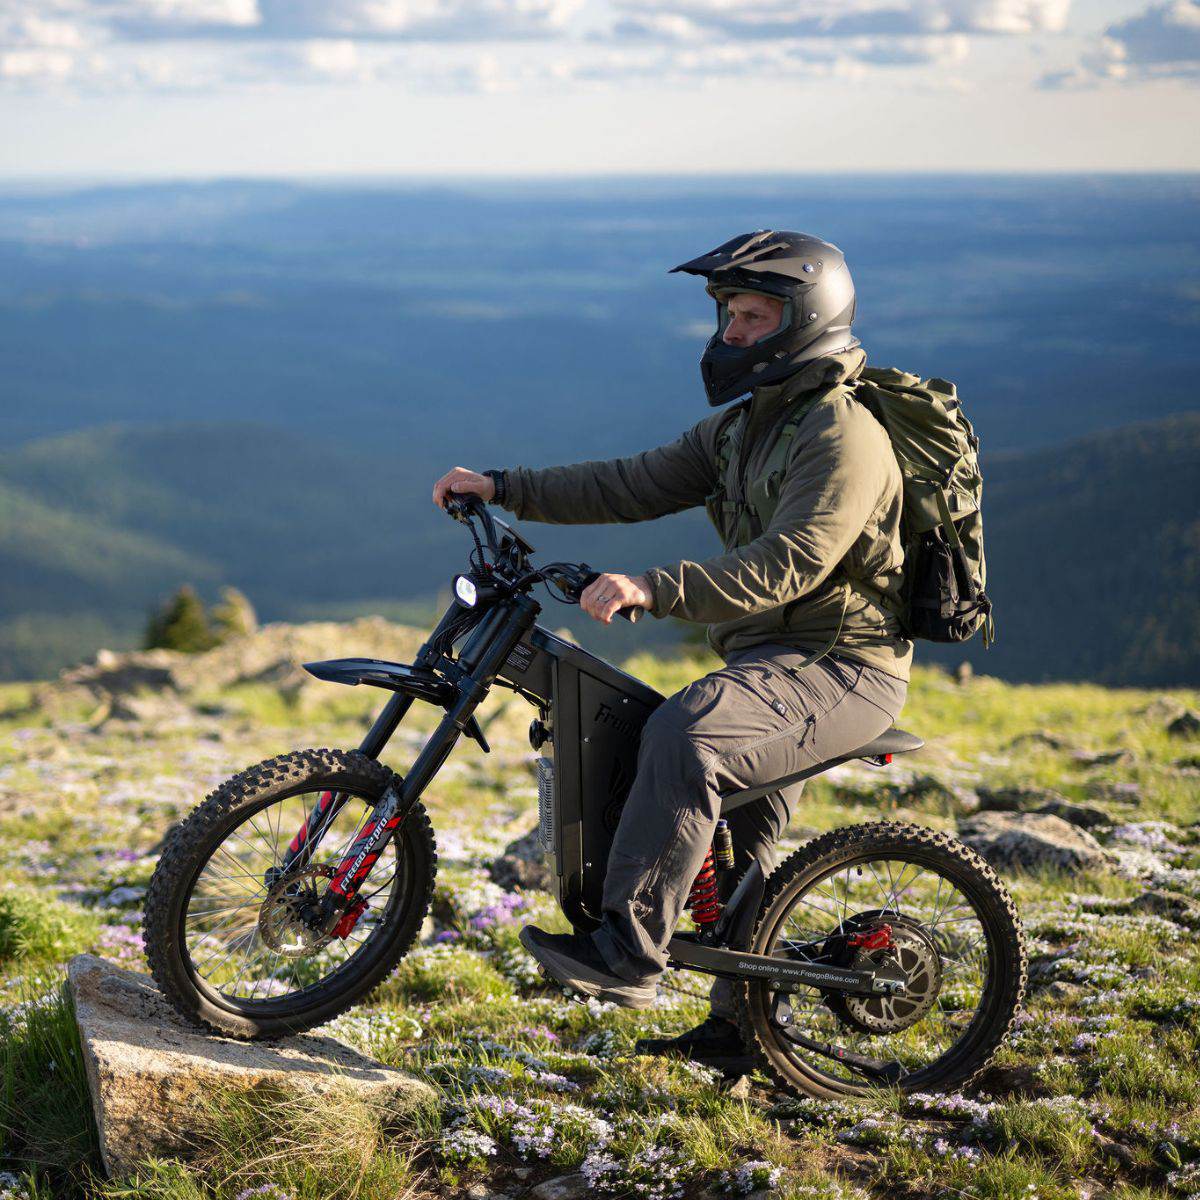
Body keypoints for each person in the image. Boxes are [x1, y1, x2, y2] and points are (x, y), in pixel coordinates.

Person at [432, 230, 911, 1071]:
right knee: (740, 855)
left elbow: (793, 561)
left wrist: (657, 586)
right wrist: (505, 486)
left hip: (844, 667)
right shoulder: (744, 430)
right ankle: (743, 1034)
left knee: (687, 734)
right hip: (772, 663)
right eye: (728, 315)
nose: (730, 334)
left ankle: (628, 954)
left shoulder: (843, 436)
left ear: (805, 322)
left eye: (752, 317)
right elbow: (632, 481)